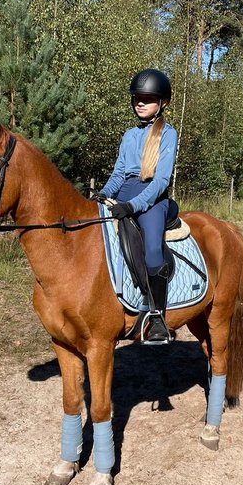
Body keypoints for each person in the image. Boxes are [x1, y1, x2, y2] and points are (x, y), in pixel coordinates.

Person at [97, 69, 177, 344]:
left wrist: (132, 206)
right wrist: (105, 193)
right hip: (124, 192)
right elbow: (119, 173)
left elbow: (162, 180)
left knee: (153, 250)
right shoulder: (129, 135)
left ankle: (156, 316)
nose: (139, 103)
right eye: (136, 98)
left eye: (147, 98)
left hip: (152, 198)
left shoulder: (167, 134)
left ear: (162, 102)